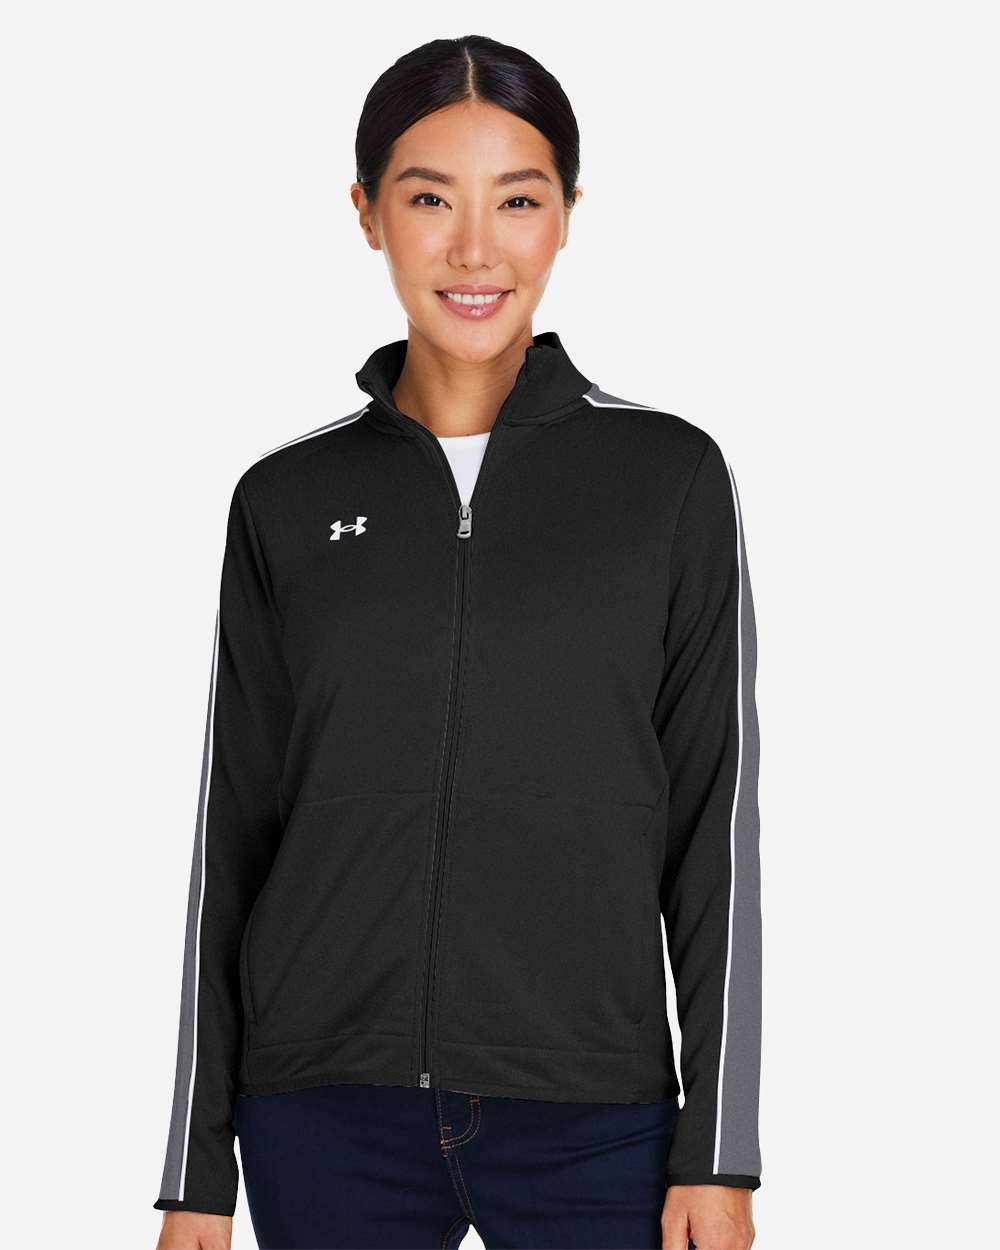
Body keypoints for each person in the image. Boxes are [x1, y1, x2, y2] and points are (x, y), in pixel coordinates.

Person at [153, 33, 761, 1250]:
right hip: (322, 1108)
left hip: (593, 1114)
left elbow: (717, 830)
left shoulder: (667, 478)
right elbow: (233, 837)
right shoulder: (284, 497)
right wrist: (193, 1169)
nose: (475, 248)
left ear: (566, 215)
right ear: (368, 213)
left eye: (517, 201)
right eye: (430, 198)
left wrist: (718, 1148)